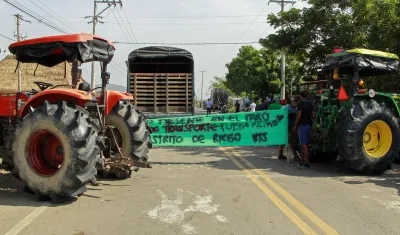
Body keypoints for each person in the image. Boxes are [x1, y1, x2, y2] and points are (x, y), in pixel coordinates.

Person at [293, 90, 315, 169]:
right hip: (309, 125)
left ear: (300, 96)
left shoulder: (300, 104)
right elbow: (313, 115)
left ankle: (306, 162)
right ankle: (301, 161)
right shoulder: (310, 103)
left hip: (302, 125)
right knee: (303, 144)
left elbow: (299, 115)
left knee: (304, 144)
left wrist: (295, 125)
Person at [287, 97, 300, 161]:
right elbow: (296, 112)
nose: (295, 103)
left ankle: (296, 154)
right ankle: (294, 154)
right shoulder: (288, 107)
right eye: (293, 102)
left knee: (295, 141)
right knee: (290, 141)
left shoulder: (298, 108)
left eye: (296, 102)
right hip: (290, 127)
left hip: (297, 127)